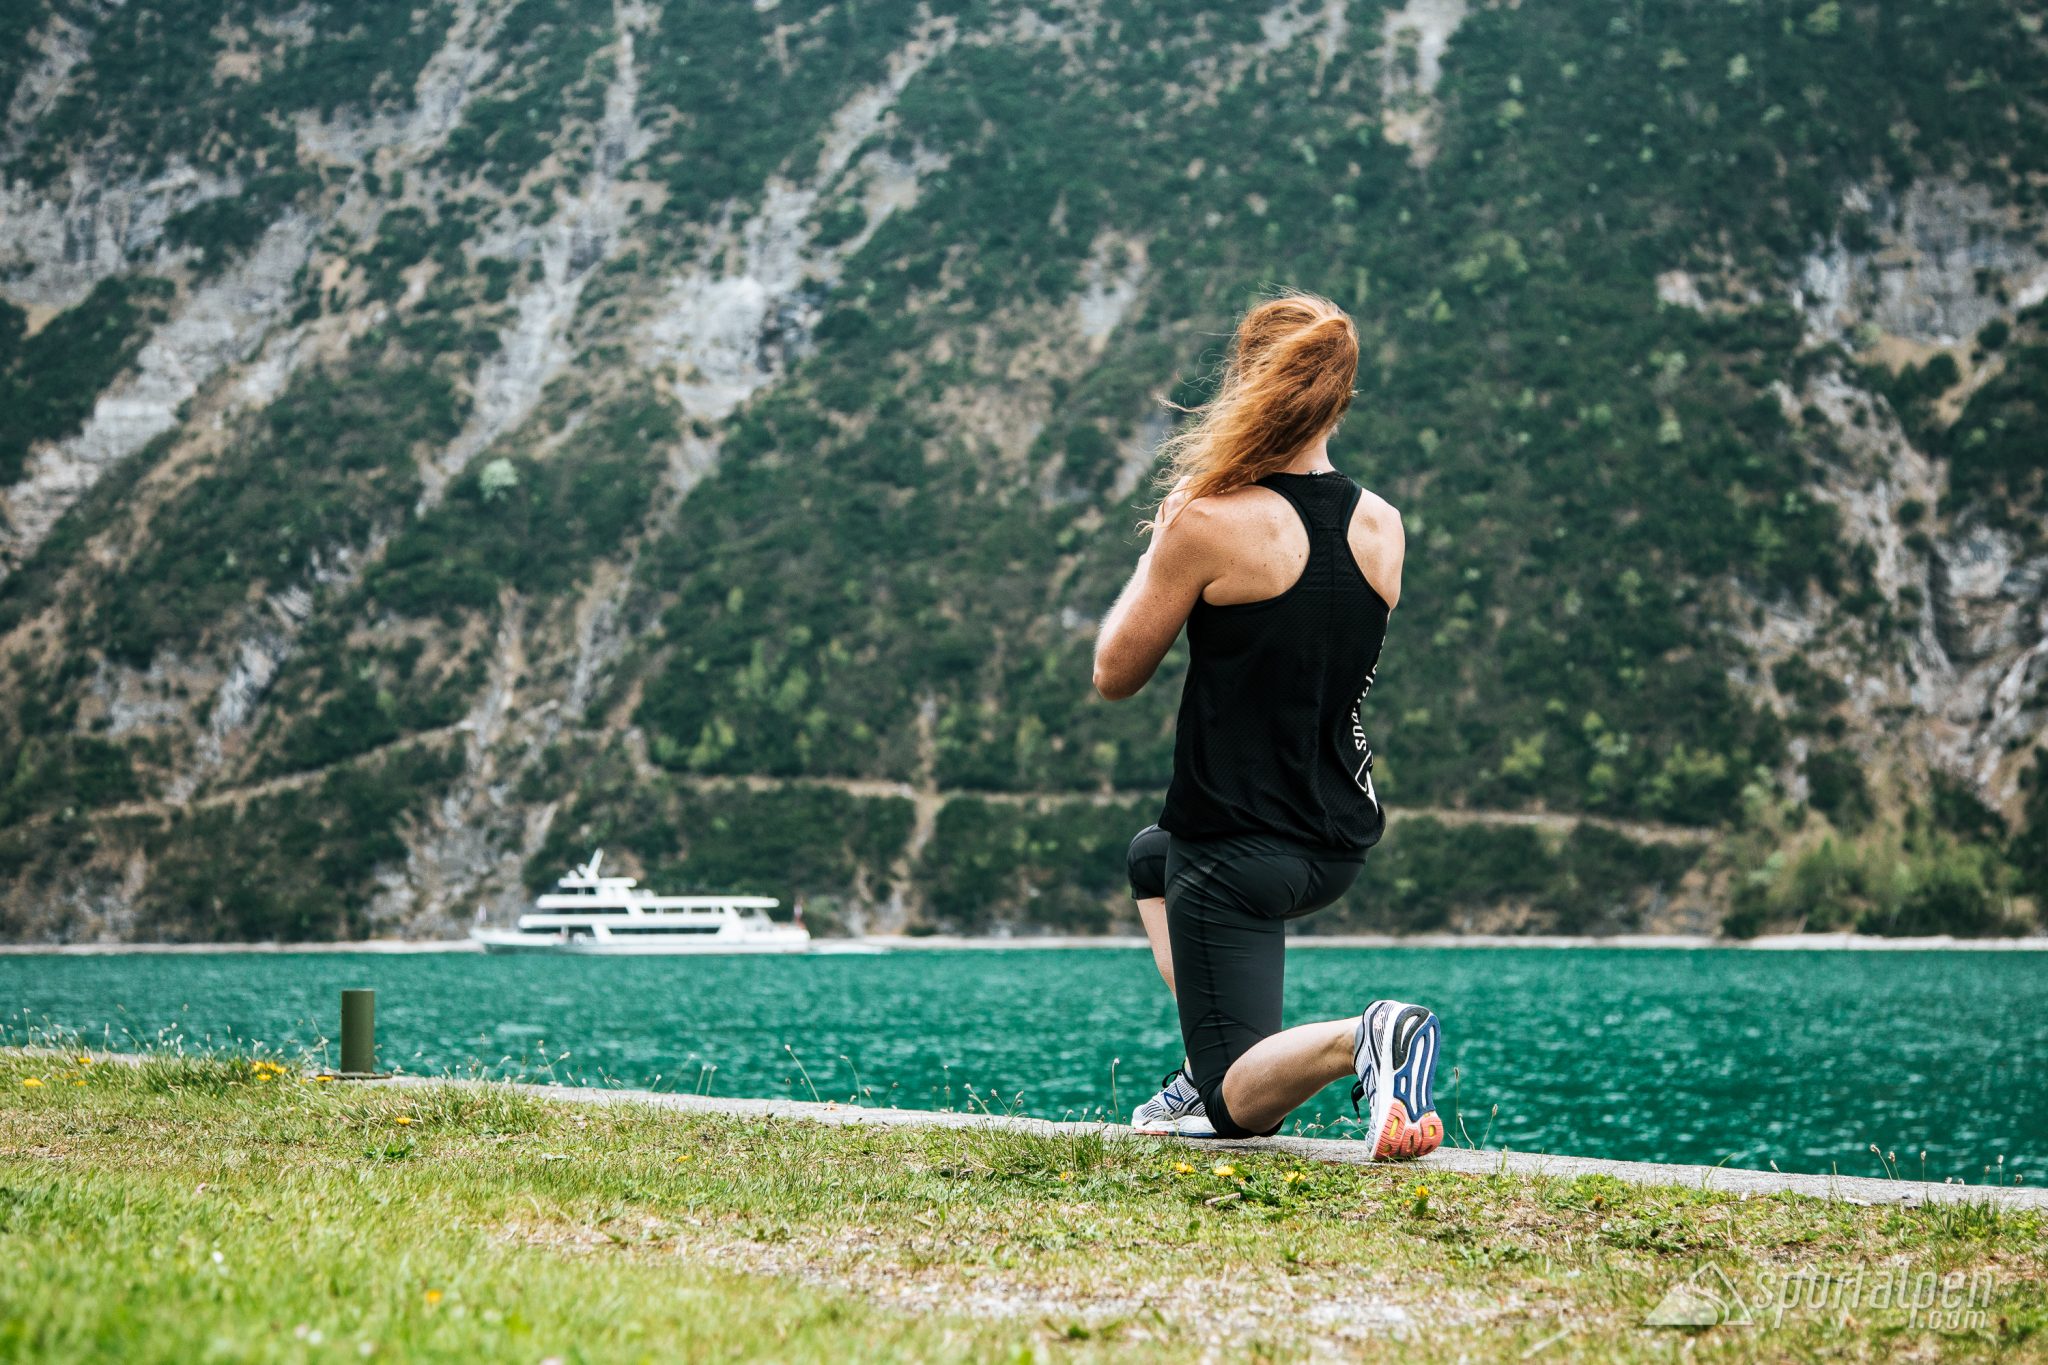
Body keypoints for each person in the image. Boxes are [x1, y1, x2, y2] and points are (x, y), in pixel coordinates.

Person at [1091, 290, 1443, 1160]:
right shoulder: (1382, 524)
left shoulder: (1209, 522)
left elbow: (1113, 674)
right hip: (1334, 840)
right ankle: (1204, 1046)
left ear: (1246, 383)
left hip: (1238, 847)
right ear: (1340, 398)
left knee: (1238, 1106)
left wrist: (1160, 542)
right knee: (1150, 854)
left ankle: (1365, 1037)